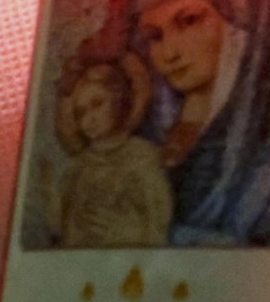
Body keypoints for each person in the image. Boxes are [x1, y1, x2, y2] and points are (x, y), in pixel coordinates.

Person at [126, 0, 270, 248]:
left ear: (241, 28)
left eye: (189, 21)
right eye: (155, 36)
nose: (169, 53)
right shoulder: (146, 141)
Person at [47, 55, 175, 249]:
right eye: (81, 112)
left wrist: (125, 231)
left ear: (118, 99)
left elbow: (160, 221)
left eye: (97, 104)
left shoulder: (143, 156)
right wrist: (49, 194)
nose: (90, 119)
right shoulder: (79, 167)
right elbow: (61, 227)